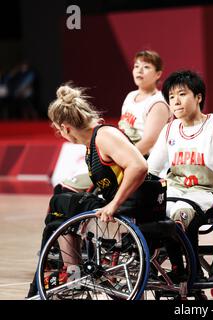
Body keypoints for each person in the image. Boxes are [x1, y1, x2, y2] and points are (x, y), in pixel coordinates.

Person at [26, 84, 166, 297]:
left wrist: (114, 204)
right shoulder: (93, 143)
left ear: (65, 127)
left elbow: (139, 166)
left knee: (60, 203)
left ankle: (67, 276)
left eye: (58, 130)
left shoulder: (104, 136)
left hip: (130, 208)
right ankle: (71, 274)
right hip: (124, 205)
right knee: (60, 210)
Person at [147, 70, 213, 280]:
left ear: (198, 97)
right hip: (175, 189)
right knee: (155, 210)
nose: (176, 101)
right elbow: (151, 170)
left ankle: (193, 271)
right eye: (171, 97)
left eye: (182, 94)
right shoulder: (171, 129)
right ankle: (175, 269)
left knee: (180, 213)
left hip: (209, 192)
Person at [61, 50, 171, 192]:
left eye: (146, 67)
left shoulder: (158, 102)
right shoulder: (130, 96)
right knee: (67, 186)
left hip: (143, 162)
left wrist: (120, 158)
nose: (139, 70)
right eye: (136, 66)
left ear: (158, 74)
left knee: (79, 189)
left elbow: (149, 141)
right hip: (124, 158)